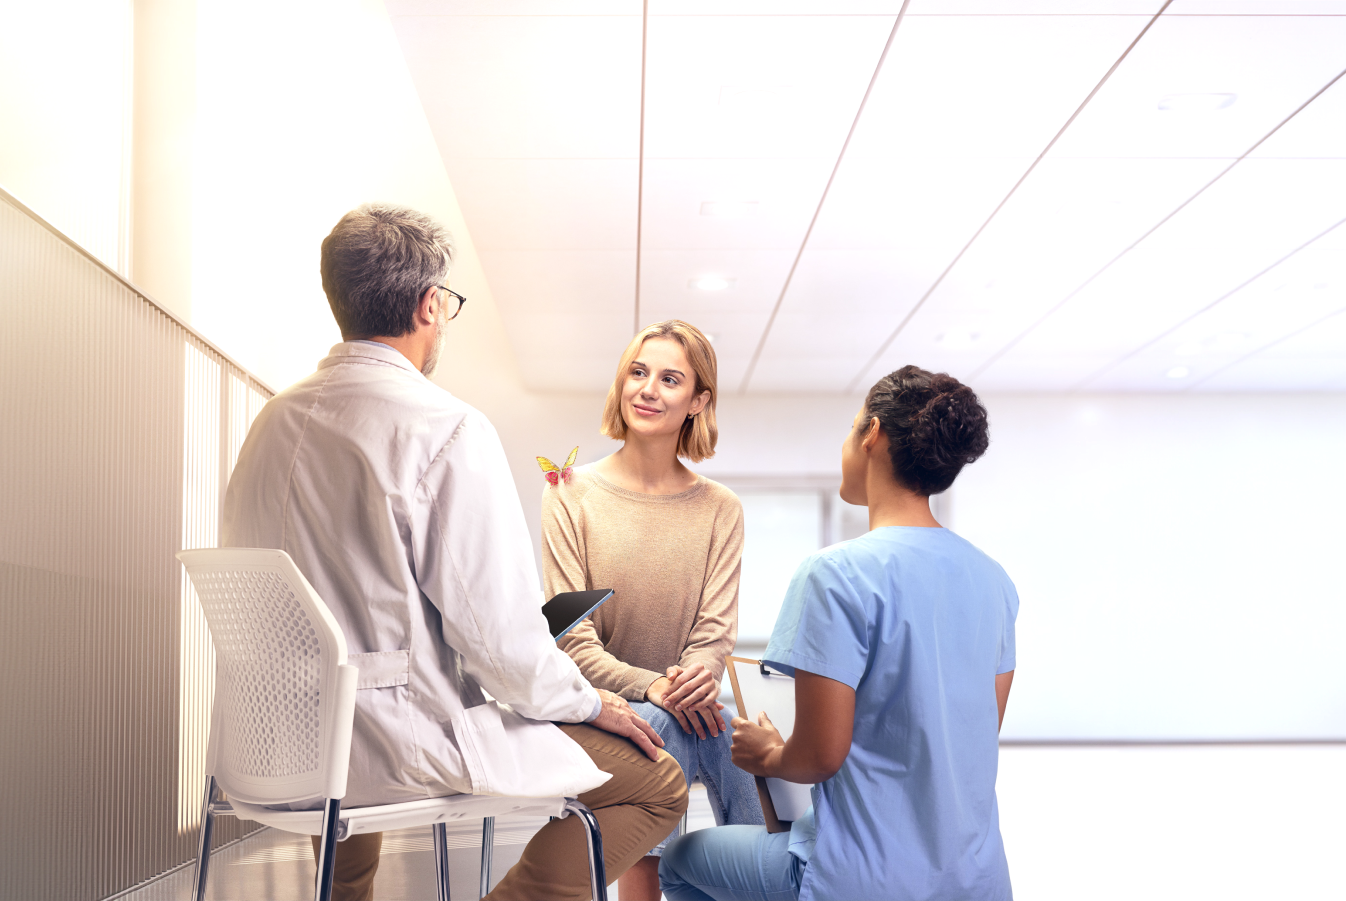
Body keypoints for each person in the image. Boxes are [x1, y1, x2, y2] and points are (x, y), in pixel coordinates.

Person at [222, 204, 687, 901]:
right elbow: (500, 642)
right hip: (388, 747)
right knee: (659, 785)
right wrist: (590, 702)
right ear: (429, 304)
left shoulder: (271, 422)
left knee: (360, 744)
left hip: (273, 745)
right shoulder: (444, 427)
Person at [659, 365, 1018, 901]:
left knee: (681, 860)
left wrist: (769, 754)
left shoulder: (835, 573)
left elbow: (820, 757)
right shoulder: (994, 579)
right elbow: (973, 735)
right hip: (975, 880)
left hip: (857, 877)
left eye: (852, 428)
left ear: (871, 434)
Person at [543, 320, 764, 901]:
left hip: (688, 704)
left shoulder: (721, 508)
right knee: (672, 725)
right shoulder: (568, 493)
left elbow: (714, 635)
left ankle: (762, 868)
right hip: (600, 711)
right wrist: (655, 688)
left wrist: (687, 683)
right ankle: (772, 872)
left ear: (698, 401)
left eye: (671, 379)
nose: (648, 389)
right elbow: (572, 640)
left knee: (726, 726)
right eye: (638, 373)